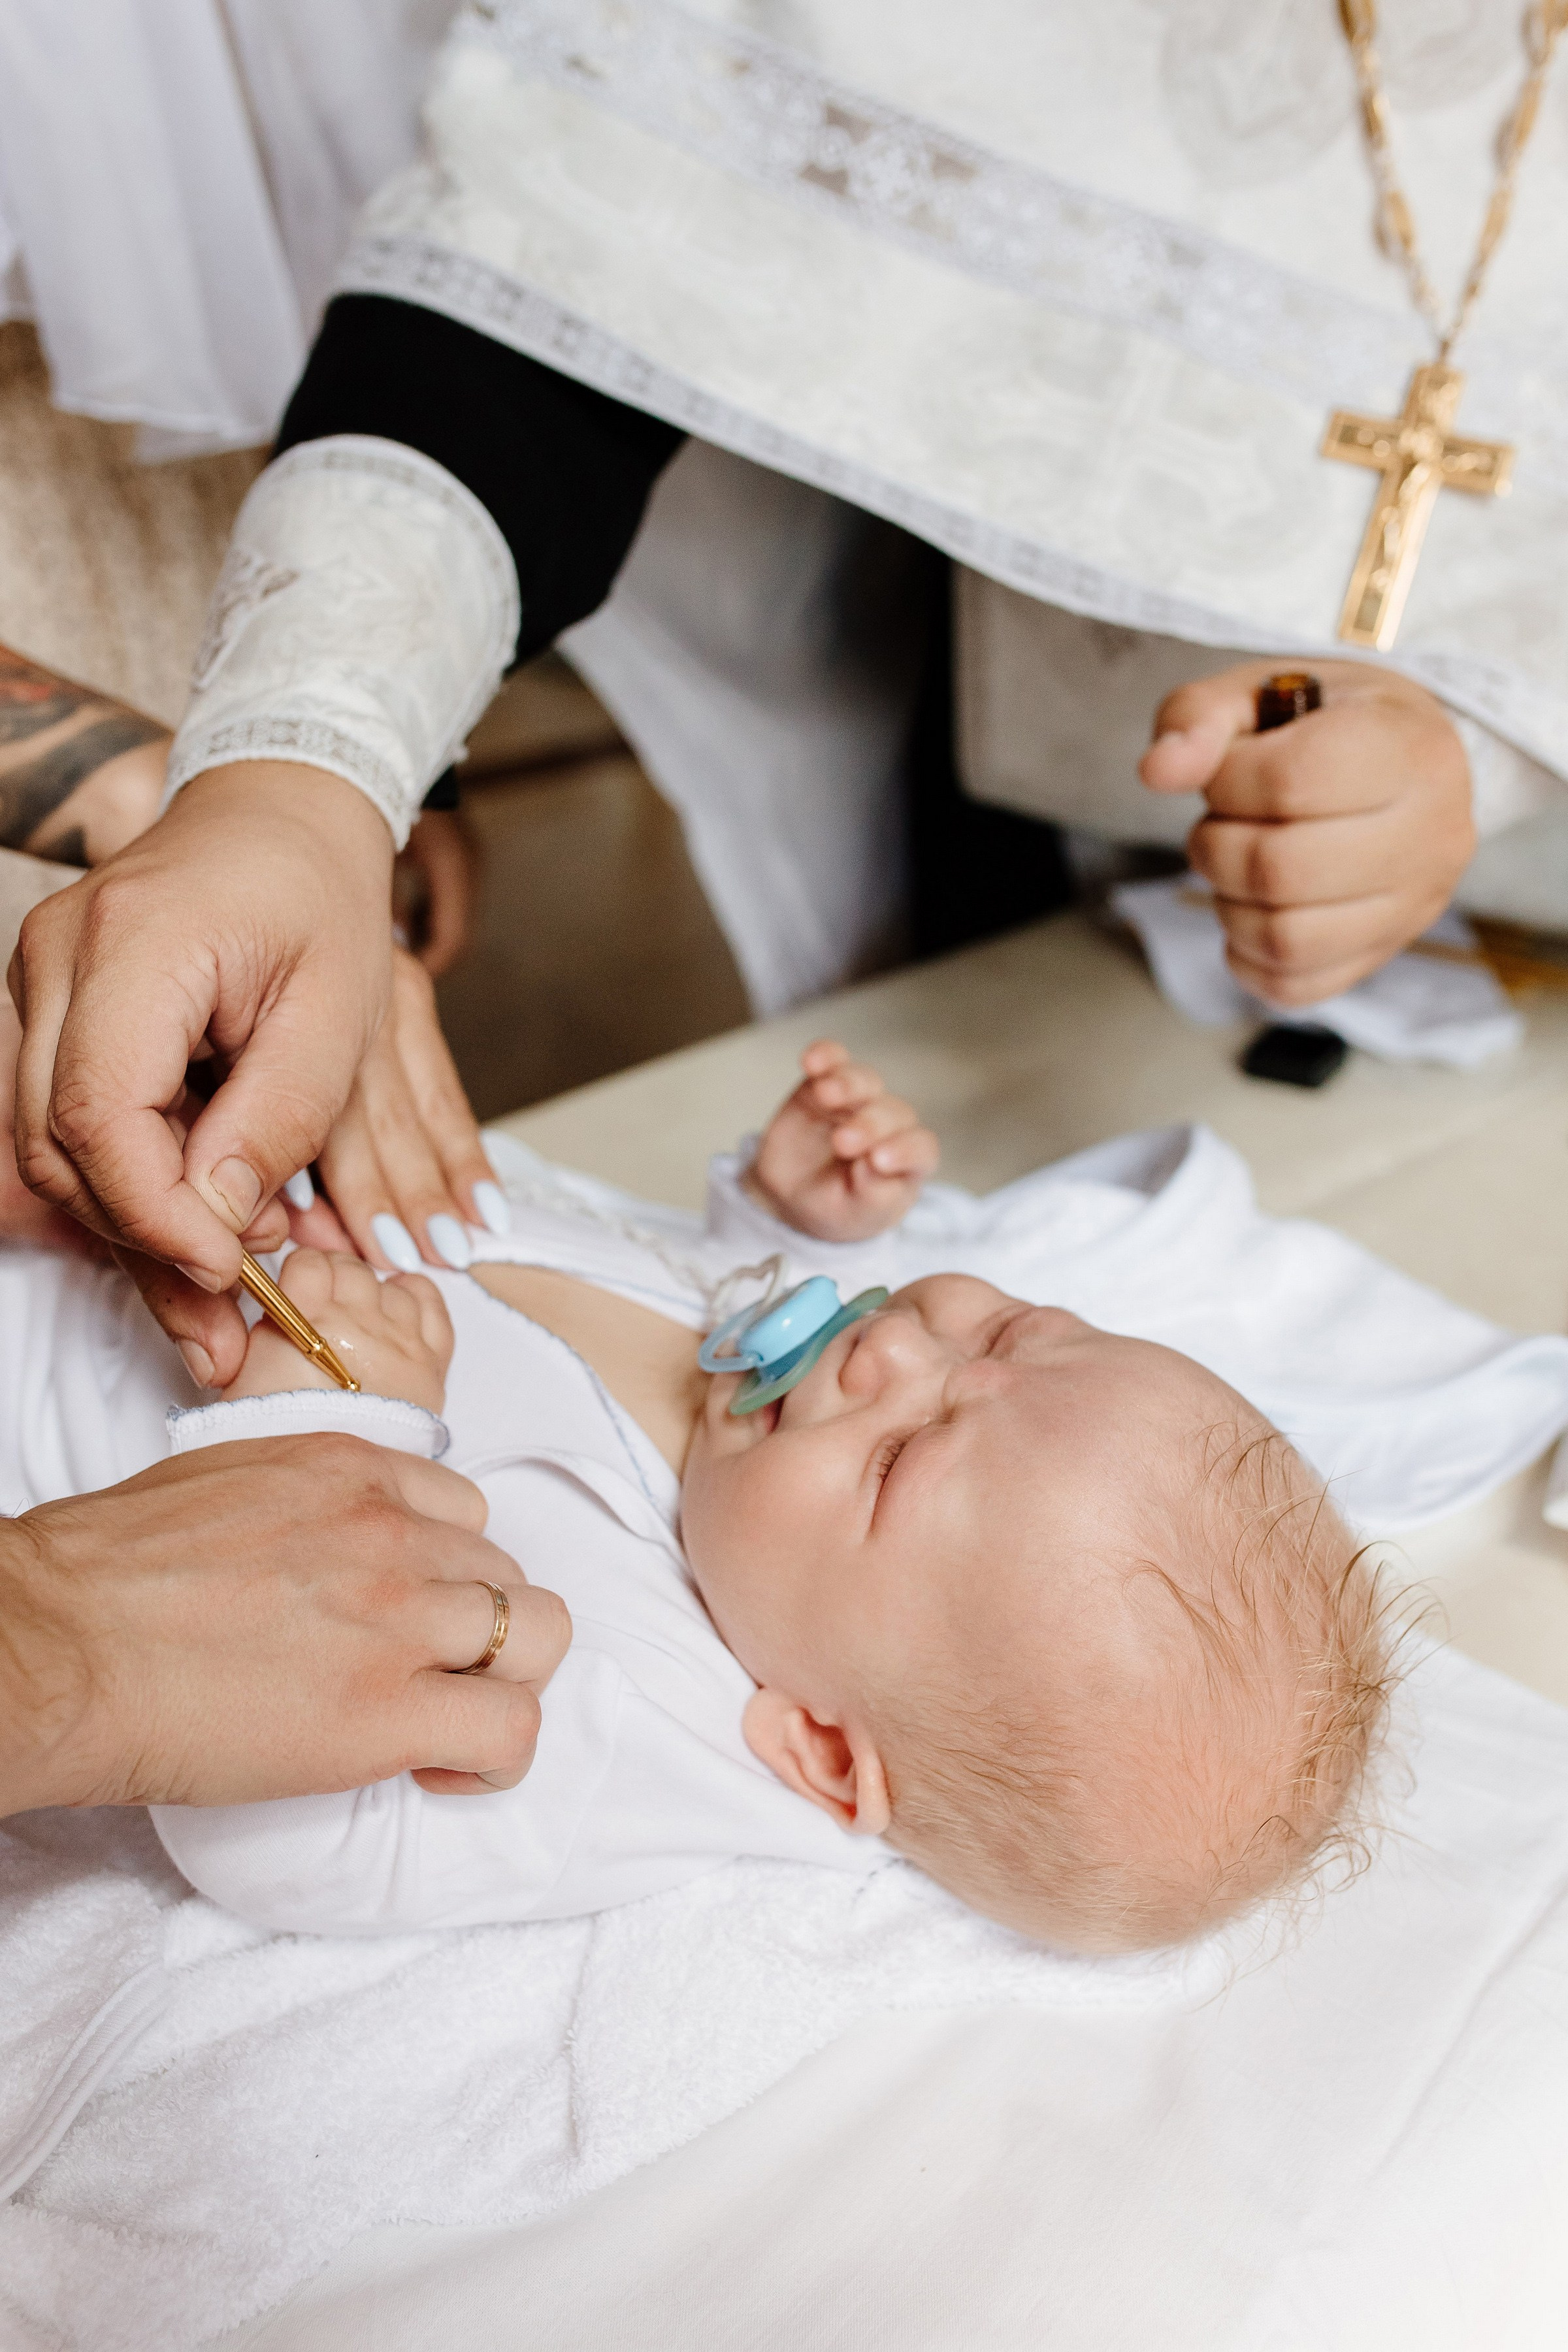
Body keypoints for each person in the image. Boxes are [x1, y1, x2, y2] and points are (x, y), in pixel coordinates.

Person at [6, 1040, 1399, 1949]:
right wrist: (773, 1228)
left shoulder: (633, 1725)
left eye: (901, 1459)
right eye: (1012, 1335)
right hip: (132, 1156)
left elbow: (296, 1848)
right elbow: (658, 1299)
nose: (897, 1342)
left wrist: (311, 1432)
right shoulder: (769, 1477)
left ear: (823, 1753)